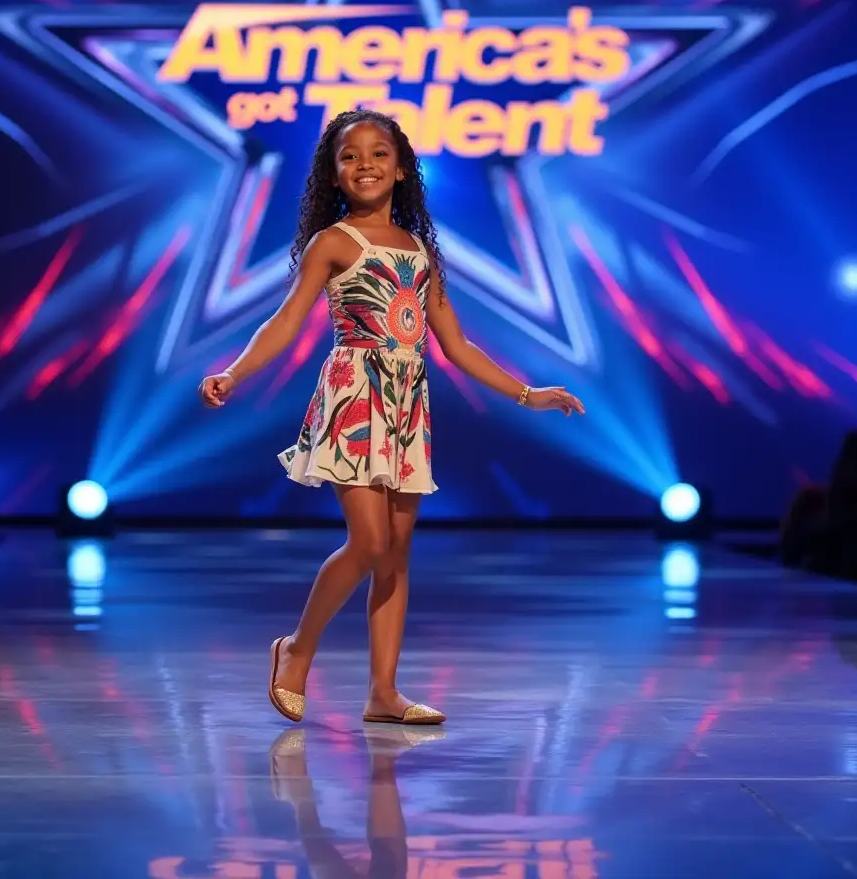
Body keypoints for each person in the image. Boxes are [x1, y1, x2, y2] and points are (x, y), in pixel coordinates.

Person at [198, 109, 585, 725]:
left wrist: (527, 393)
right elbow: (286, 320)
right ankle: (296, 649)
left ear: (402, 169)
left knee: (397, 550)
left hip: (407, 403)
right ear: (333, 174)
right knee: (370, 541)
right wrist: (234, 372)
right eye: (349, 157)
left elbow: (456, 346)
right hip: (355, 396)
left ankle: (383, 692)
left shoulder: (419, 250)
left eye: (379, 154)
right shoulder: (335, 242)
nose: (365, 165)